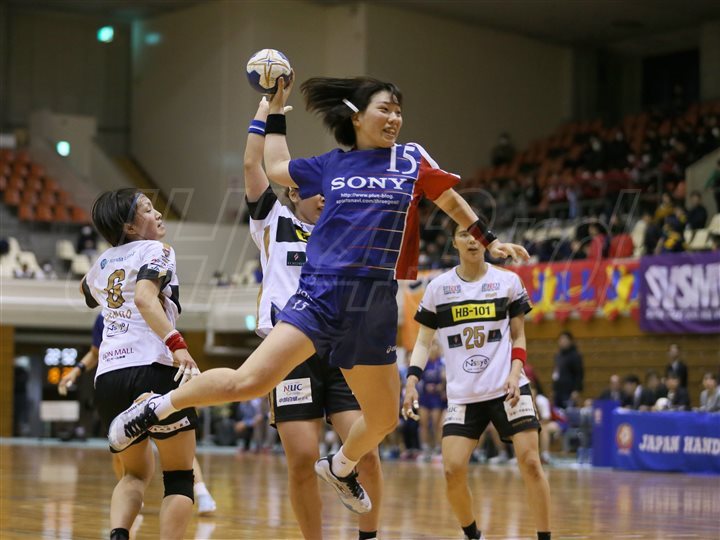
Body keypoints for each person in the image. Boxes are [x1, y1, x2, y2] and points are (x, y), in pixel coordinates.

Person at [106, 75, 529, 518]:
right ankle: (156, 407)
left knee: (383, 418)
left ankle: (341, 467)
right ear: (356, 117)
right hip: (322, 295)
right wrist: (273, 111)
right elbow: (275, 166)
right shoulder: (331, 165)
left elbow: (449, 199)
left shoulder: (411, 159)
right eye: (385, 109)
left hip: (374, 304)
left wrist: (489, 238)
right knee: (249, 381)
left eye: (399, 111)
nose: (394, 118)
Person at [244, 96, 382, 539]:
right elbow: (252, 165)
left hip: (341, 349)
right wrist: (267, 109)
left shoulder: (344, 230)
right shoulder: (272, 220)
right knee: (302, 460)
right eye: (317, 189)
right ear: (294, 191)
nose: (325, 195)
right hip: (290, 351)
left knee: (368, 453)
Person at [402, 223, 551, 540]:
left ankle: (544, 537)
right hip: (463, 396)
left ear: (487, 242)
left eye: (477, 235)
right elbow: (423, 342)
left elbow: (519, 336)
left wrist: (515, 373)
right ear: (453, 242)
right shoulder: (438, 288)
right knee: (452, 470)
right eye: (463, 234)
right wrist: (412, 380)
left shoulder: (508, 281)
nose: (471, 240)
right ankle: (473, 535)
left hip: (508, 387)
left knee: (530, 463)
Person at [82, 188, 200, 540]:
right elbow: (146, 299)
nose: (158, 213)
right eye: (148, 210)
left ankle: (119, 534)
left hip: (109, 379)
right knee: (179, 476)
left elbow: (86, 291)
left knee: (134, 474)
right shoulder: (157, 250)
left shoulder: (102, 263)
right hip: (153, 367)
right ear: (130, 227)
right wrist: (177, 345)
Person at [58, 313, 217, 515]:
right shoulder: (105, 315)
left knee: (178, 450)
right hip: (120, 378)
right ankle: (132, 499)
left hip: (155, 370)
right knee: (123, 449)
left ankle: (201, 492)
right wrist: (76, 371)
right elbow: (95, 352)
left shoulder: (149, 301)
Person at [416, 340, 446, 459]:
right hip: (424, 396)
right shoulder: (424, 363)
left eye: (435, 346)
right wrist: (424, 386)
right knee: (423, 423)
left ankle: (437, 448)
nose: (433, 349)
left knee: (436, 424)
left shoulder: (442, 363)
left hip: (437, 398)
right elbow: (418, 379)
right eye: (431, 346)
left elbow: (445, 380)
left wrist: (440, 387)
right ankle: (425, 449)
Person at [551, 332, 584, 409]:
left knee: (569, 412)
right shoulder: (558, 356)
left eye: (564, 340)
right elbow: (556, 373)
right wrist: (554, 389)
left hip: (569, 392)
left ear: (570, 341)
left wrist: (576, 390)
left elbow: (579, 374)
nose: (562, 342)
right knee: (558, 412)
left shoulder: (575, 356)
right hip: (559, 392)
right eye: (561, 340)